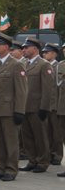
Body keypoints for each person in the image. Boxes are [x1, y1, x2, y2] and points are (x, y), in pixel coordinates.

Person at [0, 33, 28, 182]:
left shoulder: (16, 64)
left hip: (9, 110)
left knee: (10, 142)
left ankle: (11, 169)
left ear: (5, 47)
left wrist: (19, 111)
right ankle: (1, 167)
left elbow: (21, 91)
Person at [19, 37, 55, 173]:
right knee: (27, 136)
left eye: (26, 47)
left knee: (40, 136)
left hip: (37, 108)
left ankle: (43, 162)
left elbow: (48, 89)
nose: (24, 50)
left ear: (35, 49)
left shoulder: (44, 65)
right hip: (25, 107)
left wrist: (44, 108)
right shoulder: (24, 64)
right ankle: (32, 160)